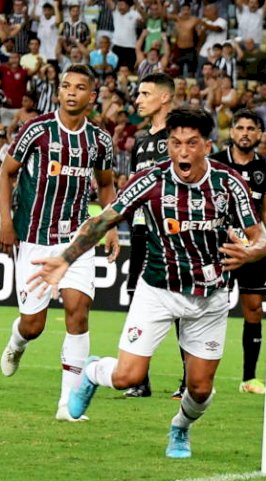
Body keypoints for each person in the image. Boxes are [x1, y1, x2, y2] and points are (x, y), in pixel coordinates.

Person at [26, 106, 266, 458]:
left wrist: (252, 252)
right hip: (158, 288)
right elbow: (103, 220)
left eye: (192, 143)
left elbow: (258, 237)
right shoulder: (151, 180)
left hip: (210, 294)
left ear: (206, 145)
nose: (182, 152)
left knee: (200, 389)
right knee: (128, 377)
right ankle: (93, 372)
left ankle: (180, 428)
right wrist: (65, 258)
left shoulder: (228, 181)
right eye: (175, 143)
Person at [0, 64, 118, 421]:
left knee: (78, 311)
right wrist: (6, 220)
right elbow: (6, 173)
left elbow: (106, 185)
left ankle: (68, 405)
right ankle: (17, 342)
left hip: (78, 240)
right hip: (35, 239)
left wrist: (109, 225)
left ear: (91, 97)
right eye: (65, 86)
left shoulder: (100, 141)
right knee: (33, 326)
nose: (70, 92)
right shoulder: (37, 130)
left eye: (79, 87)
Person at [121, 71, 180, 399]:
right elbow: (132, 188)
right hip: (143, 231)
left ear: (164, 97)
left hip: (174, 232)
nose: (138, 100)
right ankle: (139, 379)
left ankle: (189, 381)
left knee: (183, 302)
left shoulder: (180, 135)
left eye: (145, 94)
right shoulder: (141, 140)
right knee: (137, 299)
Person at [209, 109, 266, 394]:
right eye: (240, 127)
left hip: (253, 249)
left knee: (254, 309)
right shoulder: (216, 163)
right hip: (219, 246)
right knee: (207, 309)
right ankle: (190, 379)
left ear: (259, 134)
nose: (245, 133)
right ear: (232, 132)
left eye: (251, 128)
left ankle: (249, 378)